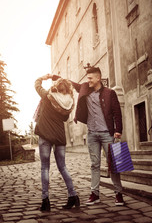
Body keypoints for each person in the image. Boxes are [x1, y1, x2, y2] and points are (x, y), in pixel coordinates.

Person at [71, 66, 124, 206]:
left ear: (98, 78)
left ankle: (118, 194)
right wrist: (54, 77)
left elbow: (117, 112)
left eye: (90, 78)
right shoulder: (85, 90)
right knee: (94, 164)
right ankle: (95, 194)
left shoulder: (110, 93)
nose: (87, 80)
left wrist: (118, 129)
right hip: (92, 134)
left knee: (114, 164)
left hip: (107, 134)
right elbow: (71, 84)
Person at [34, 74, 80, 211]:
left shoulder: (48, 96)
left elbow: (37, 85)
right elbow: (65, 119)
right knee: (63, 167)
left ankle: (45, 200)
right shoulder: (69, 103)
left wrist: (44, 77)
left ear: (56, 87)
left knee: (45, 167)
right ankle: (73, 195)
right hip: (60, 137)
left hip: (45, 135)